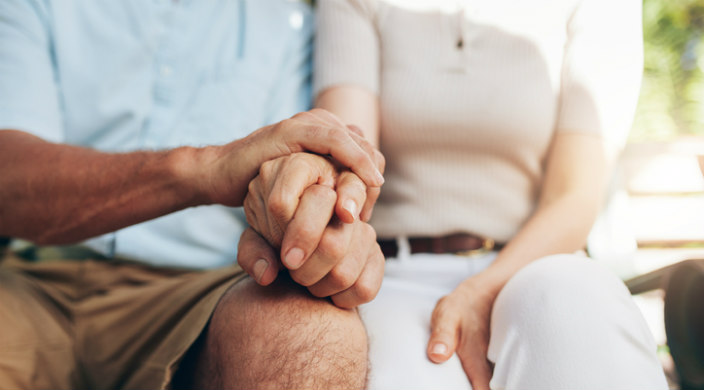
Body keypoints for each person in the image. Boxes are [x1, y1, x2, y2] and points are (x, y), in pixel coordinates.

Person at [245, 0, 670, 388]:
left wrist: (482, 290)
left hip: (534, 264)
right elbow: (349, 157)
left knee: (578, 314)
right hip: (391, 278)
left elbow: (575, 197)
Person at [0, 1, 385, 389]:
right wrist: (206, 168)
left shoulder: (291, 22)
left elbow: (296, 172)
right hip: (34, 283)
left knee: (310, 338)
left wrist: (315, 210)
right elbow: (8, 178)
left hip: (203, 292)